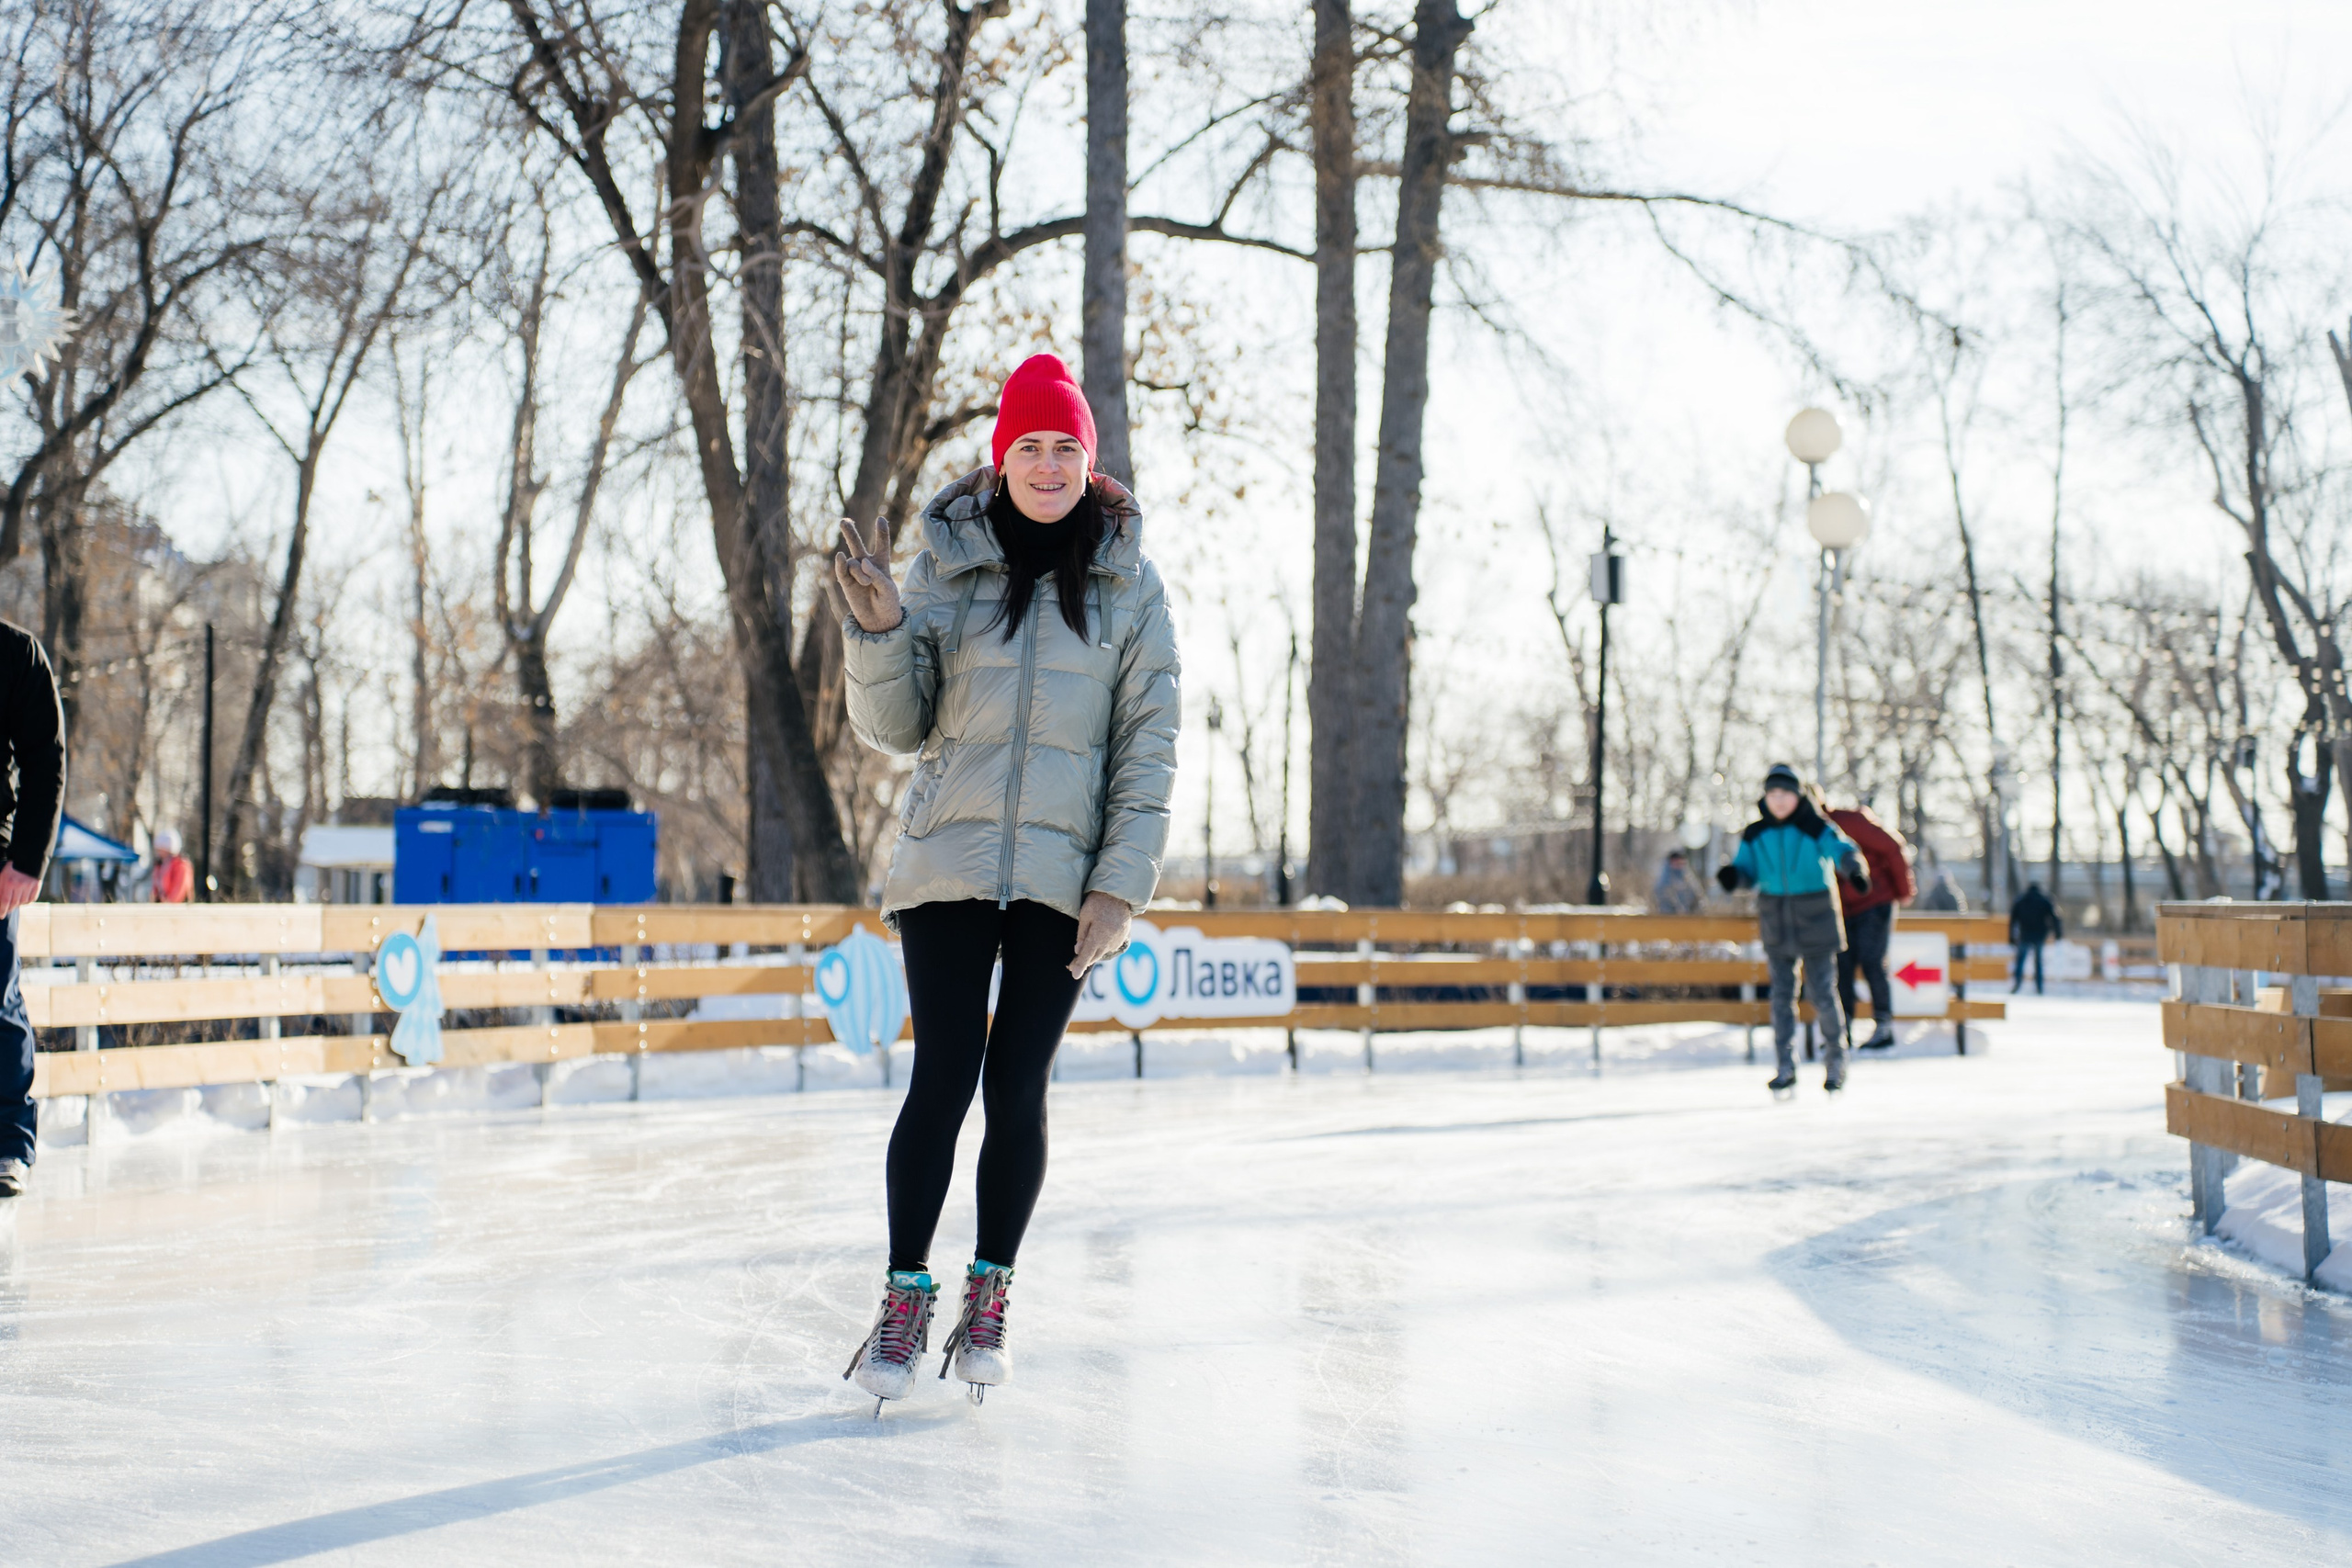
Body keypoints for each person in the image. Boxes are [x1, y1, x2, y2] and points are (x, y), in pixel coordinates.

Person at [832, 352, 1180, 1409]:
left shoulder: (1129, 583)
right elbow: (894, 728)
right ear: (1000, 458)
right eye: (1027, 445)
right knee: (942, 1073)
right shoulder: (947, 563)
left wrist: (1119, 885)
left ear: (1089, 459)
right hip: (947, 863)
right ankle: (903, 1299)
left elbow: (1147, 740)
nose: (1044, 463)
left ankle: (990, 1295)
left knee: (1014, 1084)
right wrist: (883, 631)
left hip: (1062, 884)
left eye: (1063, 445)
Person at [1717, 762, 1868, 1094]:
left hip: (1815, 916)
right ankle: (1785, 1065)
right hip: (1775, 918)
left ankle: (1836, 1061)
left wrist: (1854, 870)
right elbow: (1747, 869)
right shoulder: (1756, 833)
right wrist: (1734, 876)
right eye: (1773, 794)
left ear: (1798, 795)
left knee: (1822, 993)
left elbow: (1843, 850)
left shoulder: (1816, 826)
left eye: (1785, 793)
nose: (1779, 800)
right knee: (1781, 997)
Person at [0, 620, 64, 1200]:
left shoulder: (16, 654)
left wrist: (27, 860)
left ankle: (9, 1145)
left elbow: (45, 758)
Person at [1828, 802, 1915, 1051]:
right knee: (1841, 966)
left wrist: (1904, 891)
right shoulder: (1801, 831)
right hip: (1840, 908)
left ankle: (1883, 1027)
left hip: (1874, 901)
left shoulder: (1847, 821)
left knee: (1872, 961)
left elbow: (1892, 846)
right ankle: (1843, 1031)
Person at [2009, 882, 2062, 995]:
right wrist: (2058, 933)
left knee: (2020, 961)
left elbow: (2013, 920)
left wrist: (2011, 937)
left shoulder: (2021, 900)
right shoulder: (2044, 900)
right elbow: (2055, 917)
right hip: (2039, 935)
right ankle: (2039, 986)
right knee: (2038, 962)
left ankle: (2017, 983)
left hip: (2025, 935)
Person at [1651, 848, 1704, 915]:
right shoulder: (1663, 883)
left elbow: (1698, 900)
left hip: (1689, 920)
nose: (1679, 865)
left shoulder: (1690, 882)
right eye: (1676, 863)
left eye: (1681, 863)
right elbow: (1660, 903)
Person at [151, 827, 194, 904]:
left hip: (176, 908)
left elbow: (180, 888)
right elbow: (156, 887)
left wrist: (170, 903)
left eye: (161, 849)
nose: (159, 852)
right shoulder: (160, 865)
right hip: (163, 906)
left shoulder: (181, 865)